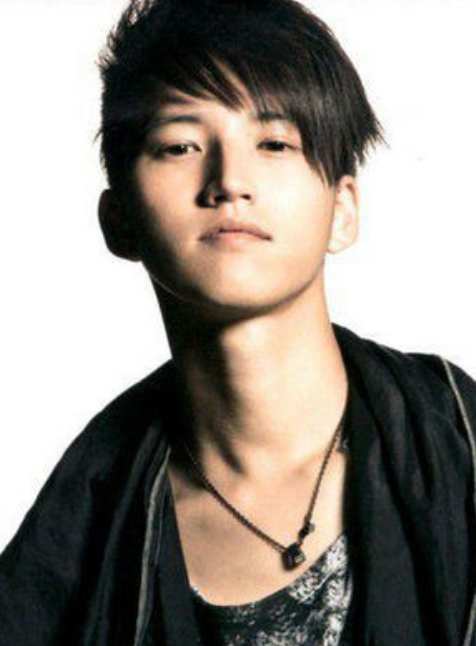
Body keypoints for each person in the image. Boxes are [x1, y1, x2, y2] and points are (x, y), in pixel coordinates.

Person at [1, 0, 476, 645]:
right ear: (119, 221)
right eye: (180, 145)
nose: (230, 181)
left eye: (274, 143)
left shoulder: (457, 445)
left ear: (342, 211)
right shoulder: (83, 527)